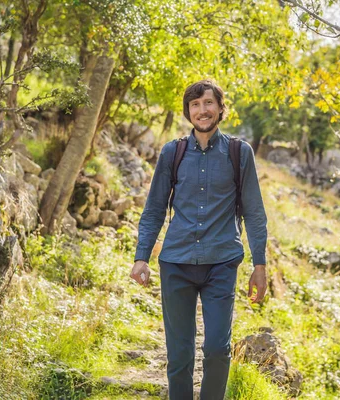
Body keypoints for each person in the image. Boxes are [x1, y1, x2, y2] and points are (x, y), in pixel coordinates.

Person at [130, 79, 268, 400]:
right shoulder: (172, 152)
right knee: (179, 355)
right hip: (176, 264)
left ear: (220, 108)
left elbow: (255, 213)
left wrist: (259, 266)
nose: (202, 110)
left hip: (221, 264)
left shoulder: (238, 152)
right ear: (188, 111)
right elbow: (154, 209)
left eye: (208, 103)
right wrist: (142, 256)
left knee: (218, 349)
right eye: (195, 104)